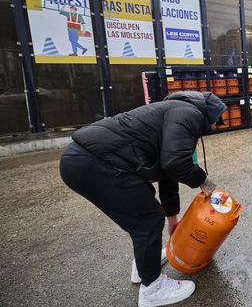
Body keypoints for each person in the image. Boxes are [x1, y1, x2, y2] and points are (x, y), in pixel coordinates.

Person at [59, 91, 227, 307]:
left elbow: (167, 173)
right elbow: (175, 163)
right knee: (147, 220)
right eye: (216, 122)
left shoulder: (173, 111)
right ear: (210, 115)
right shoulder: (190, 115)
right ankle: (152, 289)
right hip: (94, 162)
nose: (215, 127)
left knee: (145, 204)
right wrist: (204, 182)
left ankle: (143, 267)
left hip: (83, 161)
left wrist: (172, 219)